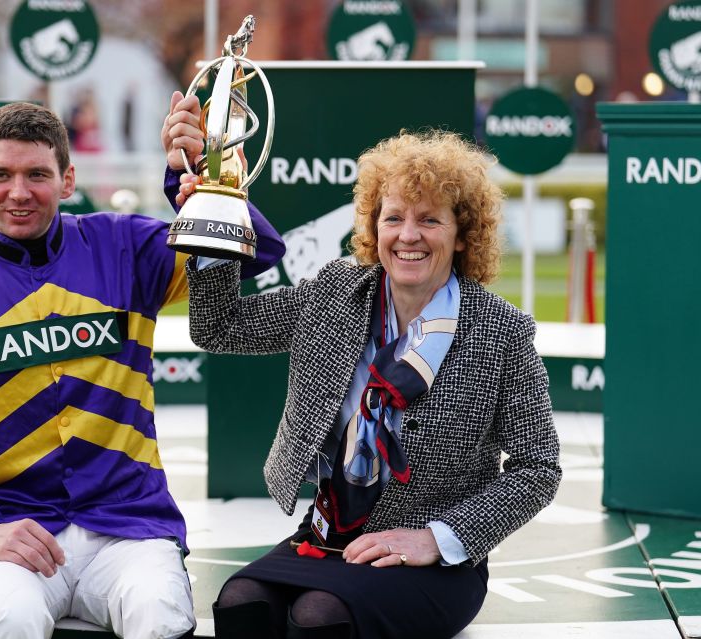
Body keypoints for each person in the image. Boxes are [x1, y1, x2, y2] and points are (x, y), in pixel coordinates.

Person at [0, 96, 284, 639]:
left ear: (68, 180)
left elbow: (259, 250)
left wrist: (189, 181)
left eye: (37, 175)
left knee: (161, 616)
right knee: (8, 621)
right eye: (1, 174)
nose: (18, 192)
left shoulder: (124, 246)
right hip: (12, 526)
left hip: (129, 526)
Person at [185, 130, 562, 639]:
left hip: (437, 560)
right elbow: (219, 325)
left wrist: (436, 538)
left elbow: (538, 468)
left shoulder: (501, 332)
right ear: (373, 227)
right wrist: (219, 210)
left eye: (430, 219)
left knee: (319, 617)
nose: (408, 235)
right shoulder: (336, 291)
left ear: (463, 234)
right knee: (240, 604)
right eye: (393, 218)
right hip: (330, 533)